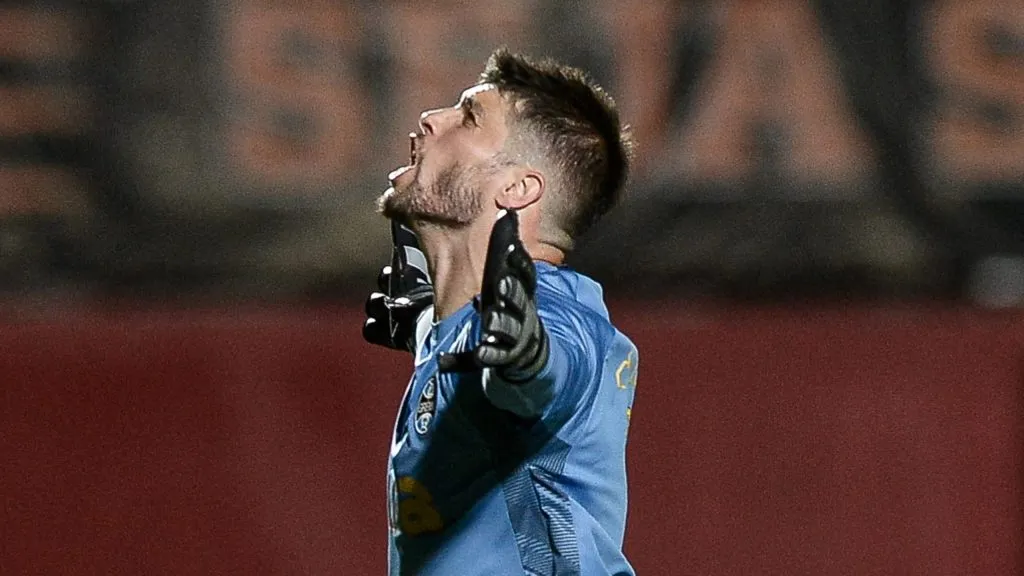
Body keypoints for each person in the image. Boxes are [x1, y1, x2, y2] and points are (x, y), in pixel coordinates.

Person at [363, 48, 638, 576]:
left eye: (468, 118)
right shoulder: (461, 330)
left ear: (516, 189)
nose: (431, 118)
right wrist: (426, 325)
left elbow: (547, 368)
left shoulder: (556, 320)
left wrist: (525, 356)